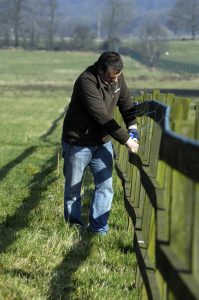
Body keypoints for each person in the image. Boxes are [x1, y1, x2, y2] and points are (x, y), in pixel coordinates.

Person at [61, 51, 139, 235]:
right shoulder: (86, 81)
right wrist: (127, 140)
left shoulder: (117, 77)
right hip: (78, 142)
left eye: (117, 76)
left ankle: (99, 229)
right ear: (100, 69)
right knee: (73, 188)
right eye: (111, 77)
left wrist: (133, 127)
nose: (114, 81)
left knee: (105, 186)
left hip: (102, 142)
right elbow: (102, 117)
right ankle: (74, 227)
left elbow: (126, 104)